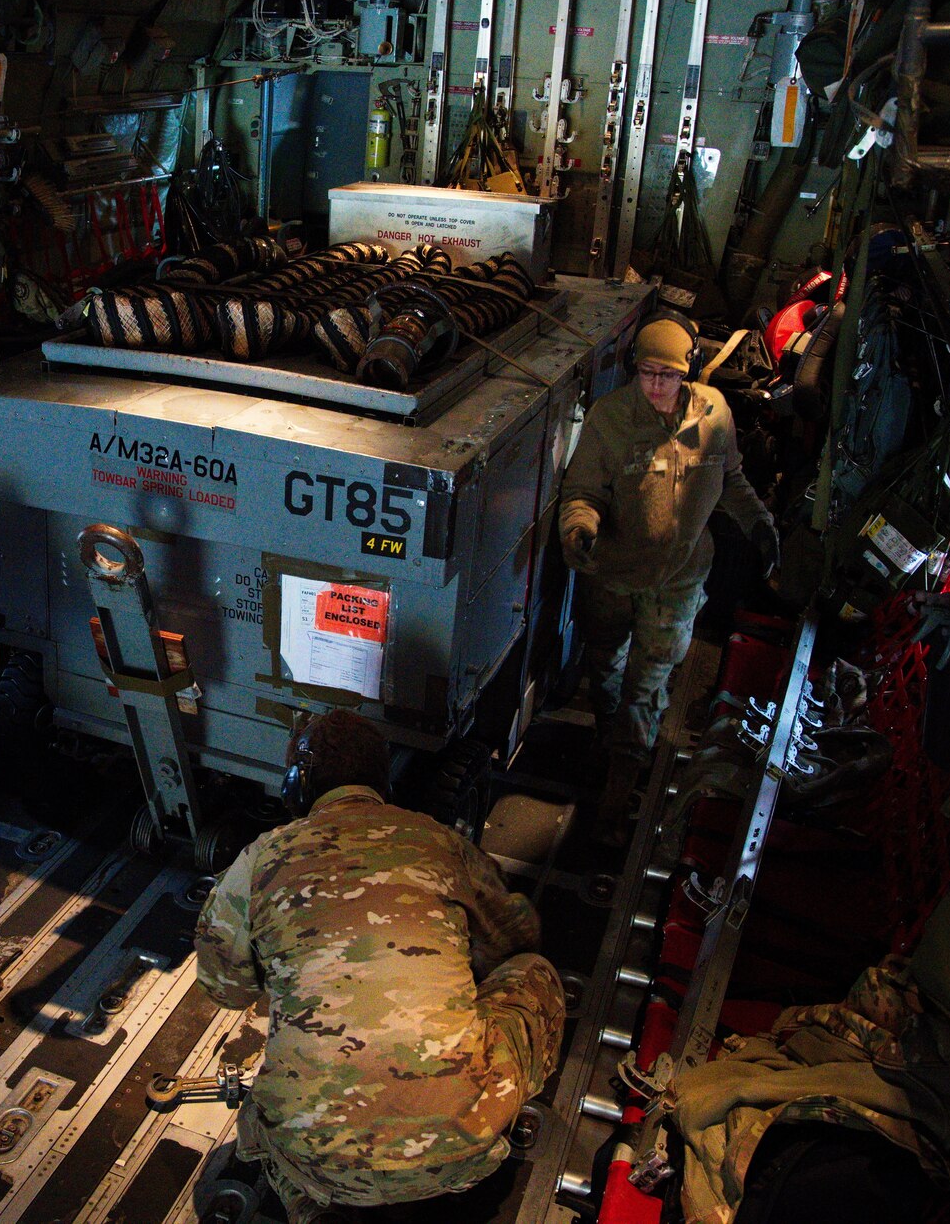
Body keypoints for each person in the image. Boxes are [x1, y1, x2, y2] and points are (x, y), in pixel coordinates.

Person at [193, 709, 567, 1224]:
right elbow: (519, 937)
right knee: (534, 971)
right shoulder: (438, 842)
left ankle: (310, 1198)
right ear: (382, 783)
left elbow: (224, 989)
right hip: (459, 1147)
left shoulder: (259, 860)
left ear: (297, 785)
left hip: (315, 1160)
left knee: (279, 1099)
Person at [558, 313, 778, 840]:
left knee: (647, 685)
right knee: (605, 665)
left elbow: (731, 480)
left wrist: (761, 526)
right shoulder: (610, 420)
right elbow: (581, 494)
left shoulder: (714, 415)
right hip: (611, 575)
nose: (657, 385)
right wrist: (579, 528)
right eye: (648, 373)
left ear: (689, 373)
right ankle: (609, 739)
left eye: (669, 375)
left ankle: (620, 786)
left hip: (678, 580)